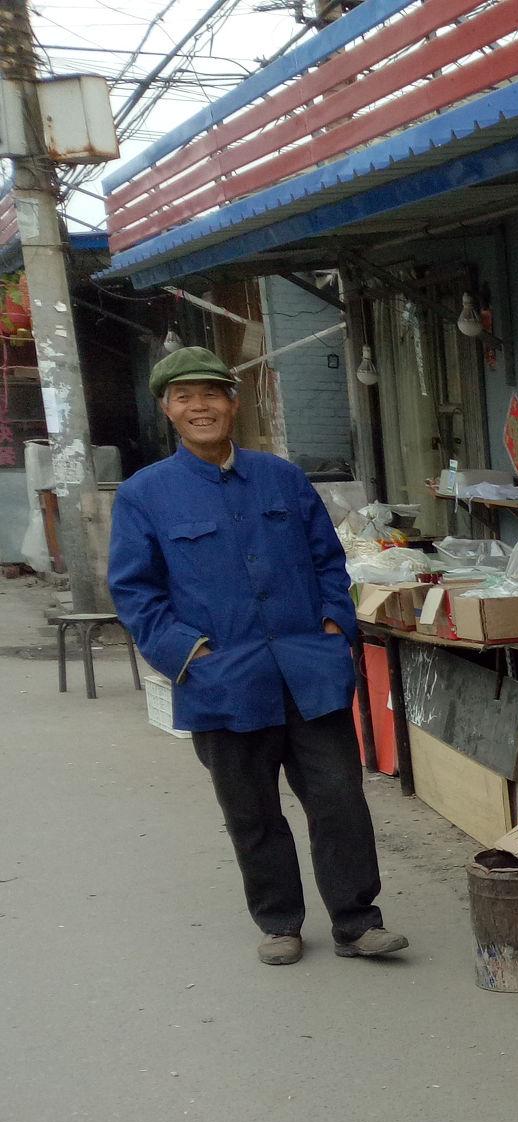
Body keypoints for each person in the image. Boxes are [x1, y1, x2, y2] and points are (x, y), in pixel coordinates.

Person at [110, 348, 408, 966]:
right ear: (167, 409)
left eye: (212, 394)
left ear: (233, 403)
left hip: (308, 671)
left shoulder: (282, 479)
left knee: (340, 802)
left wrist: (335, 627)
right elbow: (136, 592)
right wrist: (189, 655)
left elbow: (330, 561)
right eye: (185, 397)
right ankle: (279, 921)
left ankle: (356, 922)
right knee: (252, 811)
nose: (201, 407)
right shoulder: (146, 495)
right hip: (224, 680)